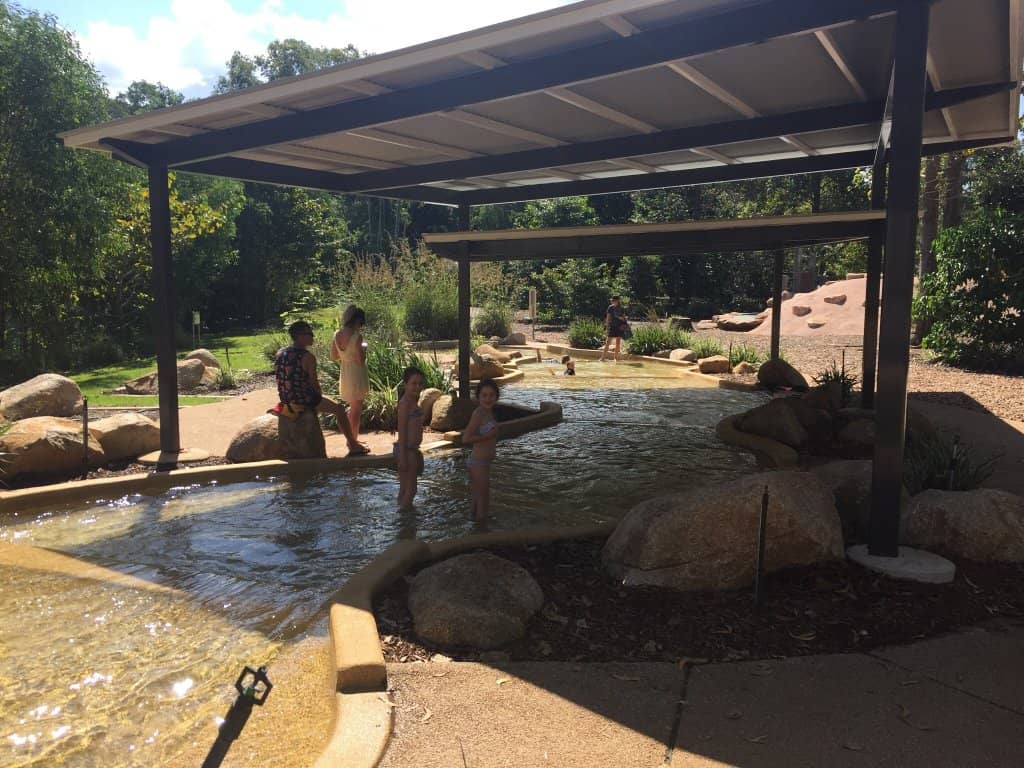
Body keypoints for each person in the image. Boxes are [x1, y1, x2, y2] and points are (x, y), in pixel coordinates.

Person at [274, 320, 369, 456]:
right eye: (309, 334)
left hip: (285, 399)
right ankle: (353, 445)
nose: (313, 336)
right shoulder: (308, 357)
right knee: (340, 410)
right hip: (302, 400)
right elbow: (314, 385)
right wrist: (318, 402)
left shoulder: (280, 353)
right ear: (300, 336)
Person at [331, 305, 370, 443]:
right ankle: (352, 440)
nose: (361, 326)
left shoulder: (336, 334)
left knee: (353, 407)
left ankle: (352, 438)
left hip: (345, 372)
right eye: (361, 323)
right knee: (356, 409)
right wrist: (363, 349)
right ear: (357, 320)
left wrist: (346, 355)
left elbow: (334, 356)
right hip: (356, 373)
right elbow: (360, 361)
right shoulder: (357, 337)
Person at [462, 378, 499, 521]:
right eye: (484, 395)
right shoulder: (479, 413)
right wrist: (488, 435)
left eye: (491, 395)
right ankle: (482, 533)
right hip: (478, 463)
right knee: (483, 500)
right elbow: (466, 438)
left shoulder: (489, 413)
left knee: (478, 498)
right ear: (478, 397)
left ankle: (473, 527)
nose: (488, 399)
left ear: (496, 397)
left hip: (483, 463)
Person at [395, 366, 426, 510]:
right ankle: (404, 519)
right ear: (405, 384)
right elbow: (401, 430)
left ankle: (401, 510)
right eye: (414, 383)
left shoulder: (413, 401)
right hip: (406, 450)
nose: (417, 386)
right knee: (412, 489)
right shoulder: (405, 404)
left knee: (404, 488)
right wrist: (403, 456)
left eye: (420, 383)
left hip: (410, 450)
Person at [600, 295, 627, 362]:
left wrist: (622, 318)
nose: (612, 301)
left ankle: (616, 358)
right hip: (612, 327)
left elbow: (624, 318)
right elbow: (608, 318)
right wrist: (607, 327)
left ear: (617, 301)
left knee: (618, 342)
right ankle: (603, 358)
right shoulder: (610, 308)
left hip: (619, 327)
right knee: (608, 342)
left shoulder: (622, 308)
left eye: (613, 300)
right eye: (612, 300)